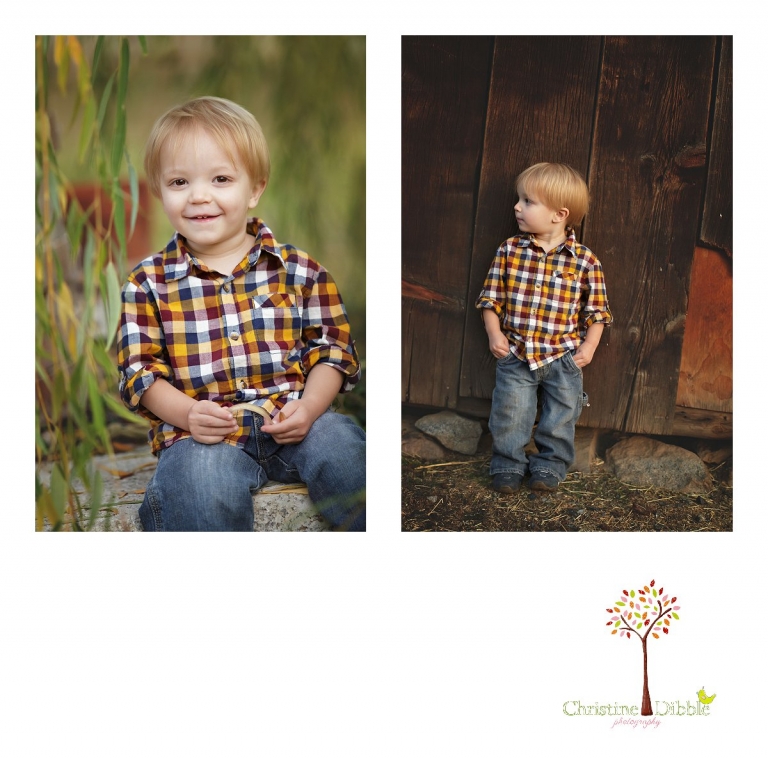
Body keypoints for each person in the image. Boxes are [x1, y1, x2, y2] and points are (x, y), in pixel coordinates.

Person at [118, 96, 365, 531]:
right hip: (202, 436)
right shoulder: (147, 283)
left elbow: (331, 350)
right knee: (198, 482)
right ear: (159, 192)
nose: (199, 196)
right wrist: (187, 415)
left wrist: (310, 407)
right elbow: (140, 373)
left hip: (292, 417)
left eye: (221, 179)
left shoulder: (299, 271)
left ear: (254, 189)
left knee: (341, 448)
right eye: (179, 181)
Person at [475, 162, 613, 493]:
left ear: (559, 215)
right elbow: (491, 299)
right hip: (517, 353)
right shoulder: (510, 251)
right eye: (519, 199)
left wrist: (589, 346)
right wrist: (495, 334)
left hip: (563, 358)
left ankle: (549, 467)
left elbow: (597, 312)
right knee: (510, 413)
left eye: (527, 201)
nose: (516, 207)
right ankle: (508, 465)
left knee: (561, 417)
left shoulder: (585, 261)